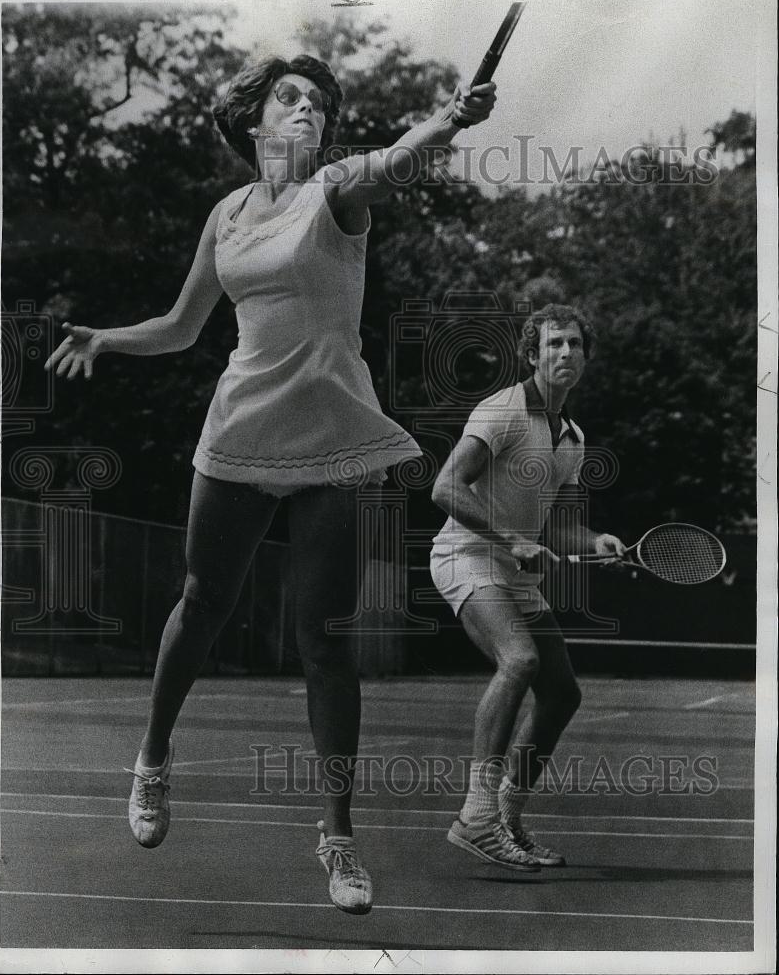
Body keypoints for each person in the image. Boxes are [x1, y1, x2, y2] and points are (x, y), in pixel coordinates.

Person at [44, 53, 496, 914]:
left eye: (319, 105)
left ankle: (337, 839)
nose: (307, 113)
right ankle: (151, 761)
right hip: (242, 426)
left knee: (322, 640)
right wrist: (109, 339)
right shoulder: (227, 214)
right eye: (288, 100)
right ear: (252, 123)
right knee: (201, 603)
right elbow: (181, 329)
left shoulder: (336, 191)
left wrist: (448, 119)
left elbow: (396, 161)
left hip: (336, 433)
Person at [429, 303, 625, 871]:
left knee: (563, 693)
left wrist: (597, 541)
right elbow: (445, 487)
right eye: (554, 344)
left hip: (512, 571)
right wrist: (511, 537)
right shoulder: (503, 411)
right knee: (519, 660)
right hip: (464, 556)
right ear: (532, 354)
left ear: (586, 355)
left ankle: (507, 817)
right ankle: (476, 816)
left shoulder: (571, 437)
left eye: (575, 344)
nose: (566, 353)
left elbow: (560, 523)